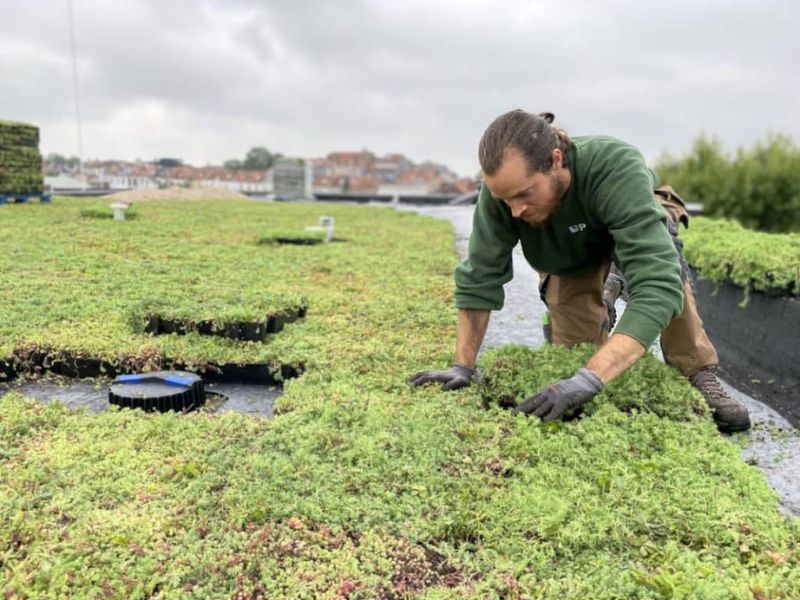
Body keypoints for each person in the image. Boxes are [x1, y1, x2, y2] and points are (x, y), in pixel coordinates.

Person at [408, 110, 750, 433]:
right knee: (576, 354)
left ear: (556, 160)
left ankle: (698, 371)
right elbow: (480, 277)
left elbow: (657, 285)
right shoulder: (504, 197)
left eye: (525, 194)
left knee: (665, 272)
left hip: (629, 230)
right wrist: (462, 366)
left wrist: (589, 379)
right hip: (570, 256)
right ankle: (606, 292)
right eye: (505, 199)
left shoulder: (614, 165)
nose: (514, 210)